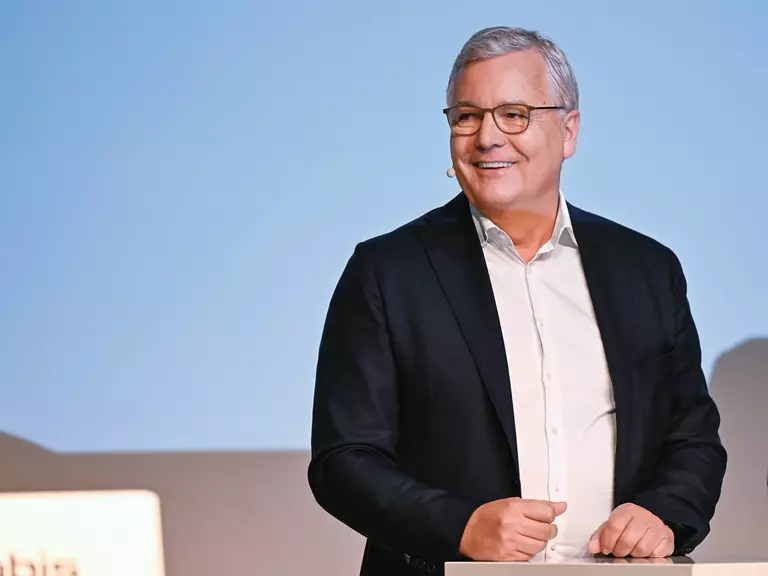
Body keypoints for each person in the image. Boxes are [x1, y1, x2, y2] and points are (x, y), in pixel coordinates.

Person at [308, 26, 726, 576]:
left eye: (515, 115)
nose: (487, 137)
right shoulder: (387, 271)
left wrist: (663, 513)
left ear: (569, 131)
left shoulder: (647, 268)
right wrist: (459, 526)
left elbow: (692, 441)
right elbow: (343, 461)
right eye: (466, 116)